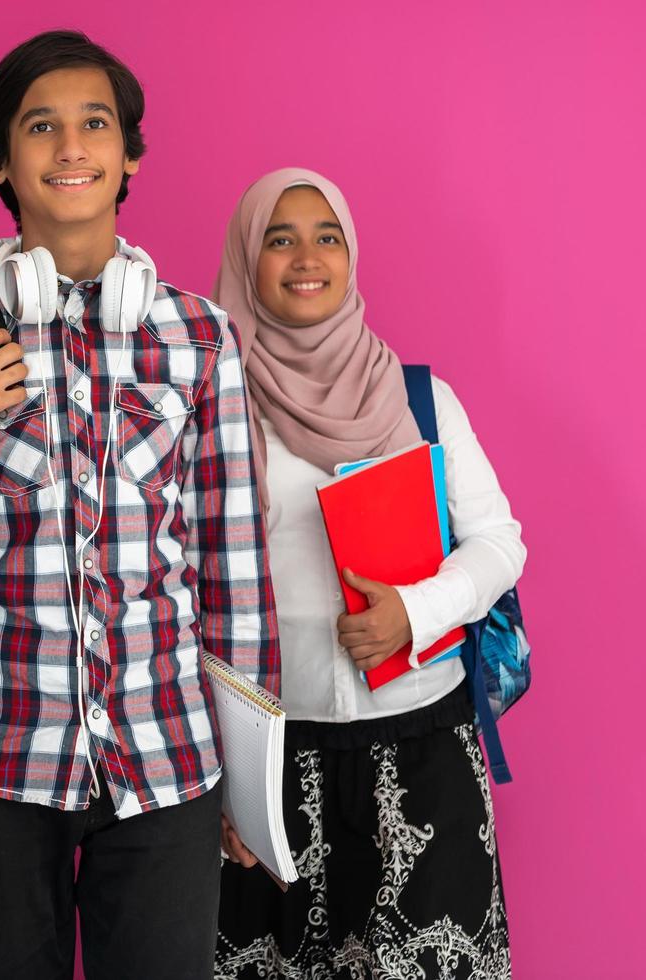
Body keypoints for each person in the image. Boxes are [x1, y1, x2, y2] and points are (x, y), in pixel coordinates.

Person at [0, 31, 279, 979]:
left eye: (94, 125)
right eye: (42, 128)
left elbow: (235, 571)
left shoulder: (200, 338)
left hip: (167, 768)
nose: (71, 148)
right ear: (1, 160)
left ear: (130, 158)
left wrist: (253, 780)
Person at [211, 168, 523, 979]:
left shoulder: (420, 401)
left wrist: (415, 614)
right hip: (273, 768)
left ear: (352, 257)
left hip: (424, 748)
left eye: (328, 237)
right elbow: (184, 588)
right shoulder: (215, 411)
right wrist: (215, 774)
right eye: (279, 238)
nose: (305, 256)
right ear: (248, 260)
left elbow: (499, 543)